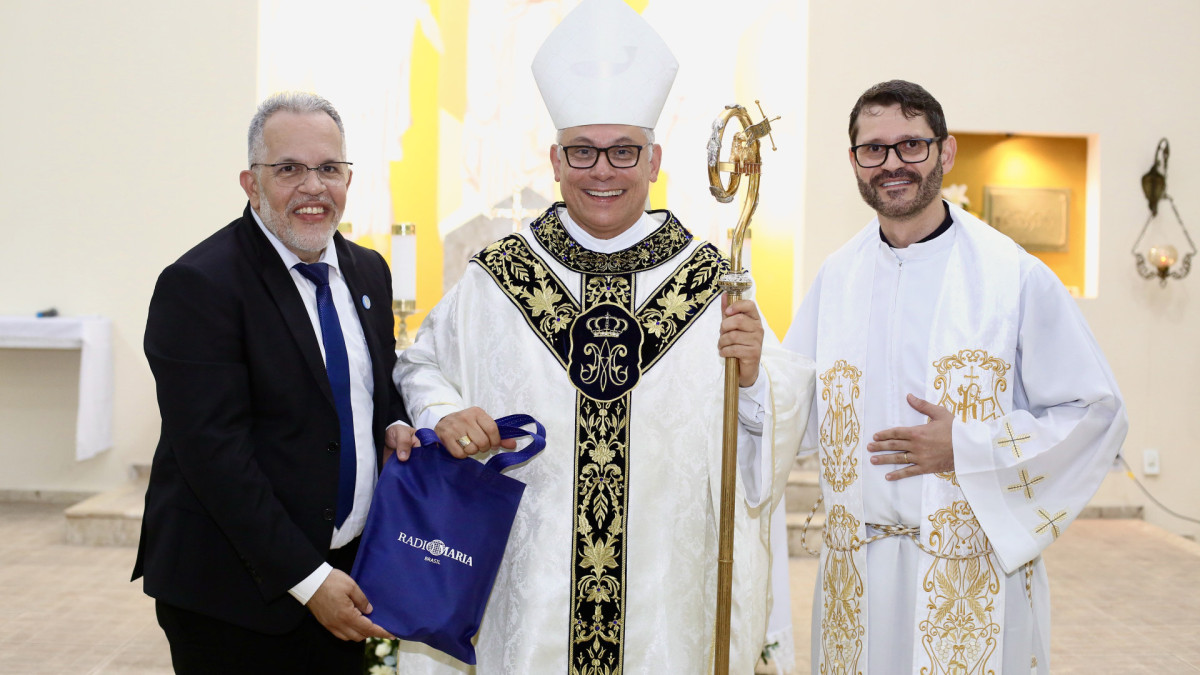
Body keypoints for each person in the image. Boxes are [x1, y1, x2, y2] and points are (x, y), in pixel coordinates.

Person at [391, 1, 813, 671]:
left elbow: (777, 413)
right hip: (531, 601)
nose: (604, 171)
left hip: (662, 605)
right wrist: (448, 417)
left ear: (654, 159)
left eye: (624, 151)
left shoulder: (709, 281)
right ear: (556, 159)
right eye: (583, 151)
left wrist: (758, 371)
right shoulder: (502, 276)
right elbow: (420, 366)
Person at [784, 80, 1128, 674]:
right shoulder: (837, 277)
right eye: (875, 149)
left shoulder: (1013, 276)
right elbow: (793, 406)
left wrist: (967, 446)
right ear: (855, 162)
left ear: (945, 153)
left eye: (911, 145)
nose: (892, 163)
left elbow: (1095, 411)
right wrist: (746, 375)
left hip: (971, 574)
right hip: (854, 574)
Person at [132, 92, 416, 674]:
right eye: (289, 169)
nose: (313, 186)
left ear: (347, 178)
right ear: (250, 182)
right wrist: (310, 582)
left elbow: (374, 389)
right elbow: (215, 457)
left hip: (347, 574)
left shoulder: (367, 271)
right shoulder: (200, 285)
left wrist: (393, 421)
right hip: (235, 596)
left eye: (328, 169)